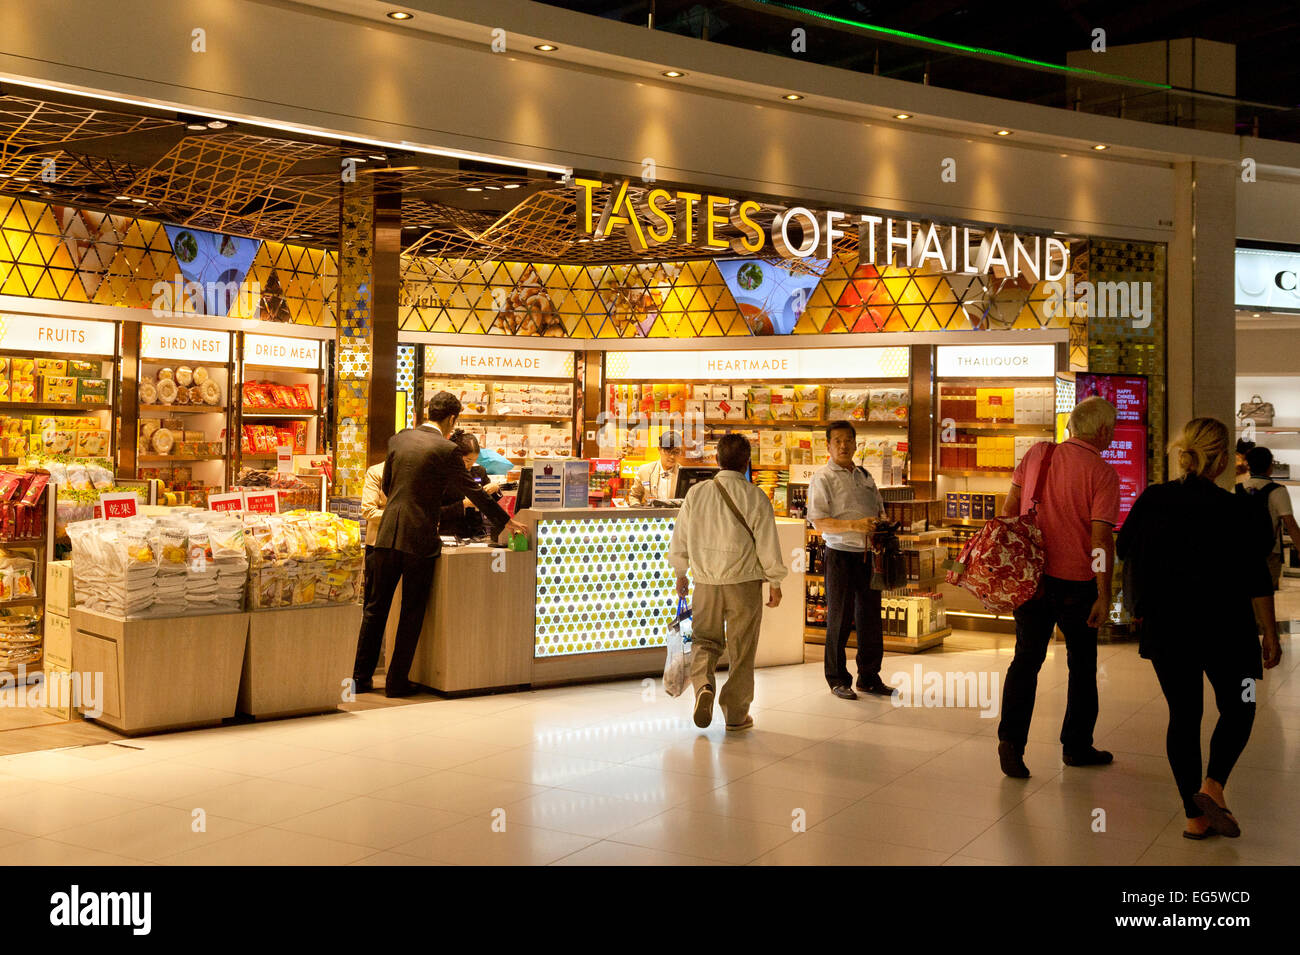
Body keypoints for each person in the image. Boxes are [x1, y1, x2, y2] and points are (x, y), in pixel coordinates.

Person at [1118, 417, 1282, 839]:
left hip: (1167, 630)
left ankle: (1194, 817)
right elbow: (1256, 578)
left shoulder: (1153, 499)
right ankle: (1213, 784)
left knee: (1184, 716)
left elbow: (1124, 548)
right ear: (1225, 459)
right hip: (1228, 632)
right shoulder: (1239, 509)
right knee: (1242, 704)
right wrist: (1270, 633)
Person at [351, 392, 525, 697]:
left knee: (375, 609)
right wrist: (505, 521)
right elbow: (473, 491)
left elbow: (390, 485)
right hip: (419, 537)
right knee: (411, 610)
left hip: (387, 533)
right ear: (452, 419)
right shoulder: (446, 449)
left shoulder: (399, 439)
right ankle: (395, 683)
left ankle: (360, 680)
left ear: (428, 411)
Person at [997, 396, 1120, 778]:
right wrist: (1104, 591)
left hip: (1032, 579)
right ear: (1100, 431)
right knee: (1081, 666)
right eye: (1112, 429)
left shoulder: (1037, 453)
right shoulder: (1102, 473)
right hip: (1076, 585)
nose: (1113, 436)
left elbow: (1010, 508)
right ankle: (1076, 746)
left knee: (1025, 660)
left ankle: (1011, 743)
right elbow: (1100, 539)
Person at [668, 433, 786, 731]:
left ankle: (704, 686)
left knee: (704, 640)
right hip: (744, 582)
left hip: (706, 581)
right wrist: (775, 580)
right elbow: (767, 544)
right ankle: (735, 714)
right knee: (742, 648)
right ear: (747, 462)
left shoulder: (697, 493)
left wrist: (681, 572)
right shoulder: (756, 496)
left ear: (717, 460)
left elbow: (680, 536)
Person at [806, 420, 888, 699]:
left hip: (868, 556)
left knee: (870, 619)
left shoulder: (865, 475)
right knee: (839, 618)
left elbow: (879, 509)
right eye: (837, 441)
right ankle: (838, 679)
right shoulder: (822, 478)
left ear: (856, 444)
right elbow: (818, 522)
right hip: (840, 555)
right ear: (828, 446)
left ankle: (869, 676)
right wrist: (854, 525)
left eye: (848, 440)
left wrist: (880, 524)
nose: (843, 445)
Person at [1239, 446, 1300, 591]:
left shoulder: (1237, 488)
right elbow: (1290, 524)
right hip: (1270, 552)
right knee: (1265, 593)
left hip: (1243, 551)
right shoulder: (1278, 490)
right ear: (1270, 466)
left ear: (1249, 466)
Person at [441, 430, 502, 539]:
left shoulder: (479, 471)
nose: (470, 465)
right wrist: (464, 504)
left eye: (474, 460)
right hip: (450, 534)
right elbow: (437, 512)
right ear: (457, 456)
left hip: (476, 533)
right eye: (467, 460)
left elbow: (490, 504)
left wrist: (495, 489)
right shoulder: (444, 474)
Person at [630, 431, 683, 503]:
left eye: (676, 452)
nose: (672, 456)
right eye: (668, 451)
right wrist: (638, 509)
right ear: (659, 449)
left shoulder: (683, 473)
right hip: (650, 514)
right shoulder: (645, 471)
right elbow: (634, 496)